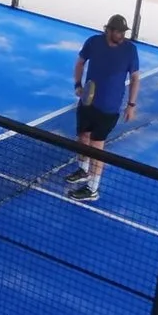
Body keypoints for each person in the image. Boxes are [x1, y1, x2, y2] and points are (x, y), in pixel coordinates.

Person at [63, 14, 140, 202]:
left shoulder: (130, 50)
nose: (121, 35)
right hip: (88, 102)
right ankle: (83, 169)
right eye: (118, 31)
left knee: (97, 146)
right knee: (82, 137)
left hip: (109, 108)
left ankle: (92, 188)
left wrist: (131, 105)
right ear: (108, 30)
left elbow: (136, 78)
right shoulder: (93, 42)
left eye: (123, 31)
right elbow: (80, 62)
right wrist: (77, 84)